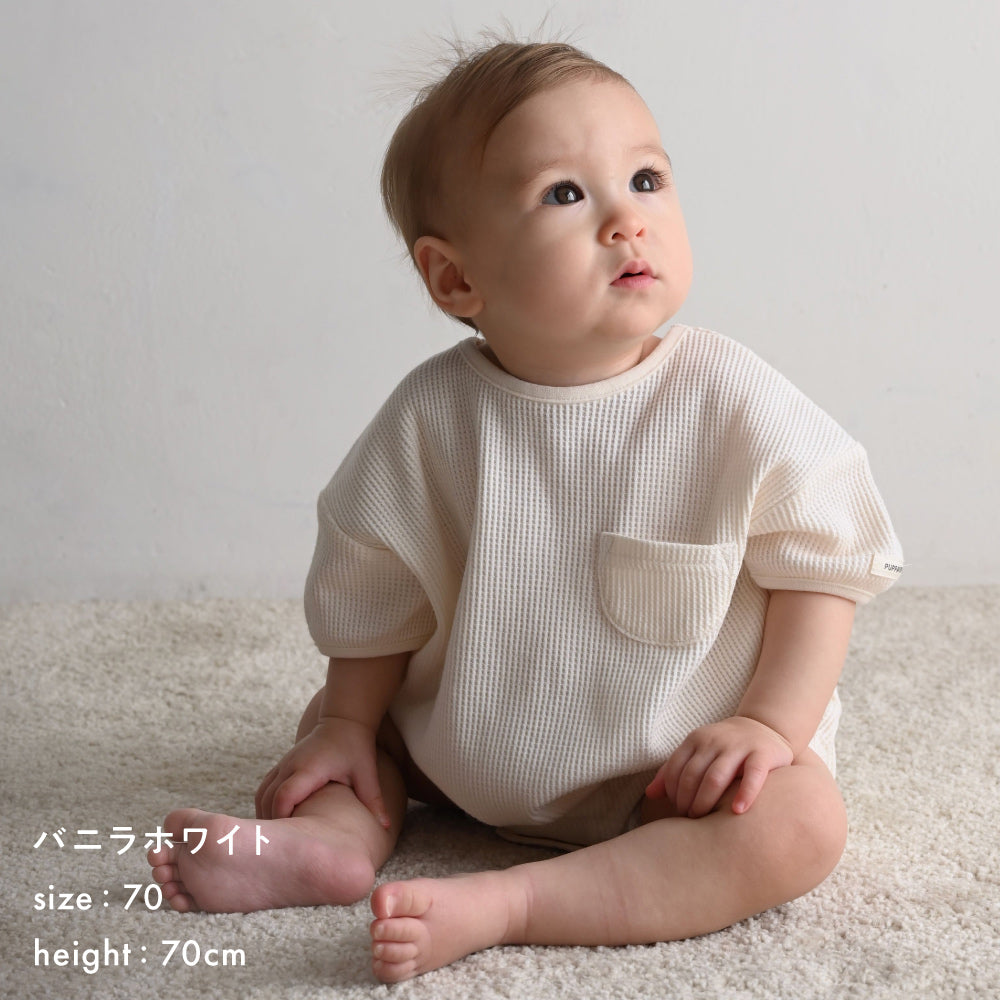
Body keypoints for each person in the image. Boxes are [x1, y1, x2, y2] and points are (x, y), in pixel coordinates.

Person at [148, 37, 903, 983]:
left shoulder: (729, 397)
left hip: (676, 765)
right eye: (566, 194)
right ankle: (333, 842)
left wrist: (770, 725)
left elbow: (825, 567)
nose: (628, 220)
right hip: (467, 739)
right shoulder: (431, 417)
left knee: (798, 825)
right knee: (347, 729)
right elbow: (375, 590)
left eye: (646, 178)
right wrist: (346, 723)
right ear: (455, 279)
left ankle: (512, 902)